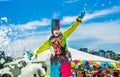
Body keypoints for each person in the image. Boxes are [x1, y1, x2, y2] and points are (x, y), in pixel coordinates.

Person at [32, 12, 85, 77]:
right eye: (55, 30)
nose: (56, 31)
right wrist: (36, 53)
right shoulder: (49, 41)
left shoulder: (63, 36)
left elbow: (71, 29)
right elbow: (42, 47)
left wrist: (78, 21)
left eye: (58, 29)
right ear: (52, 31)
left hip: (64, 60)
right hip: (55, 62)